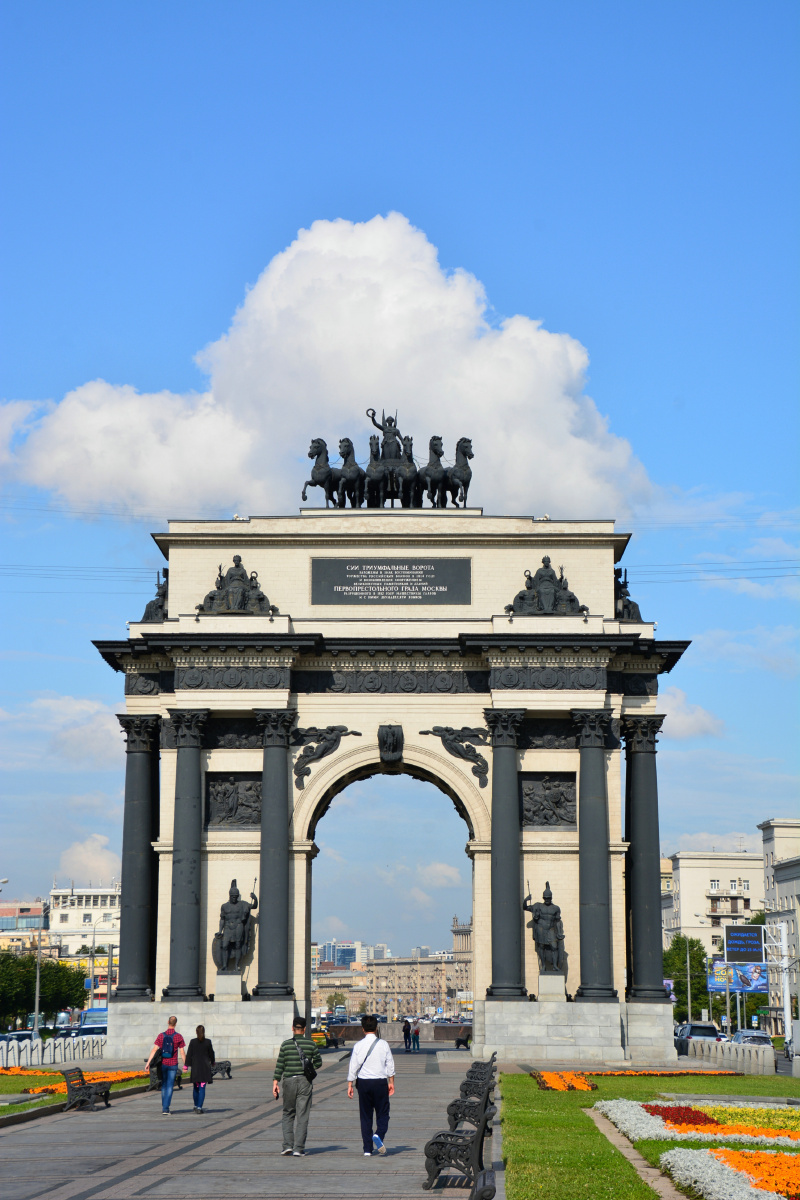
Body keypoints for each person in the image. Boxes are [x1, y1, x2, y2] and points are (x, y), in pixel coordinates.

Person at [272, 1016, 322, 1157]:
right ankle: (298, 1148)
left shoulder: (286, 1045)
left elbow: (280, 1065)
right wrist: (309, 1067)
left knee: (288, 1113)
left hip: (288, 1081)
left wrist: (275, 1082)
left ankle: (287, 1145)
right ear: (305, 1029)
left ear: (293, 1028)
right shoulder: (311, 1044)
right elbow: (318, 1062)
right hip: (305, 1081)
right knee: (302, 1115)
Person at [347, 1014, 395, 1156]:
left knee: (365, 1115)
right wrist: (391, 1082)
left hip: (363, 1083)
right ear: (376, 1028)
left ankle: (367, 1149)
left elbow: (353, 1066)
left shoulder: (358, 1045)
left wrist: (350, 1084)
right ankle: (378, 1135)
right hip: (380, 1082)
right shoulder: (383, 1044)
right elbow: (390, 1065)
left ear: (363, 1029)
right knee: (383, 1113)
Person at [145, 1015, 186, 1115]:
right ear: (175, 1024)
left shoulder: (161, 1035)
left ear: (168, 1022)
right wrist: (185, 1064)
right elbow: (182, 1052)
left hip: (163, 1064)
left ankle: (164, 1107)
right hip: (173, 1064)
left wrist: (148, 1063)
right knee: (170, 1086)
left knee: (163, 1085)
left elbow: (154, 1050)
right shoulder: (178, 1036)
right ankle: (166, 1108)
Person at [184, 1024, 215, 1113]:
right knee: (202, 1087)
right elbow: (211, 1053)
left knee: (196, 1087)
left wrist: (186, 1065)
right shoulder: (208, 1042)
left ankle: (196, 1105)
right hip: (205, 1067)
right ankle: (199, 1107)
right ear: (204, 1032)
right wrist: (212, 1062)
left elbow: (189, 1054)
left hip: (196, 1067)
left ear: (196, 1032)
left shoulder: (193, 1042)